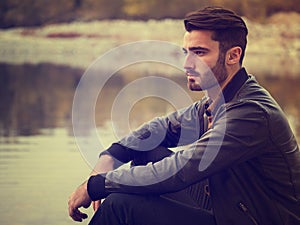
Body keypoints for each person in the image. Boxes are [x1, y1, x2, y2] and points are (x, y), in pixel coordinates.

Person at [68, 6, 300, 225]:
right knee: (147, 150)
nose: (187, 64)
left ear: (233, 56)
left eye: (199, 53)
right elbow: (159, 129)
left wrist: (97, 185)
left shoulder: (250, 114)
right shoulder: (216, 101)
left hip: (255, 219)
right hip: (227, 206)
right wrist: (111, 155)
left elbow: (180, 170)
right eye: (186, 52)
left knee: (120, 205)